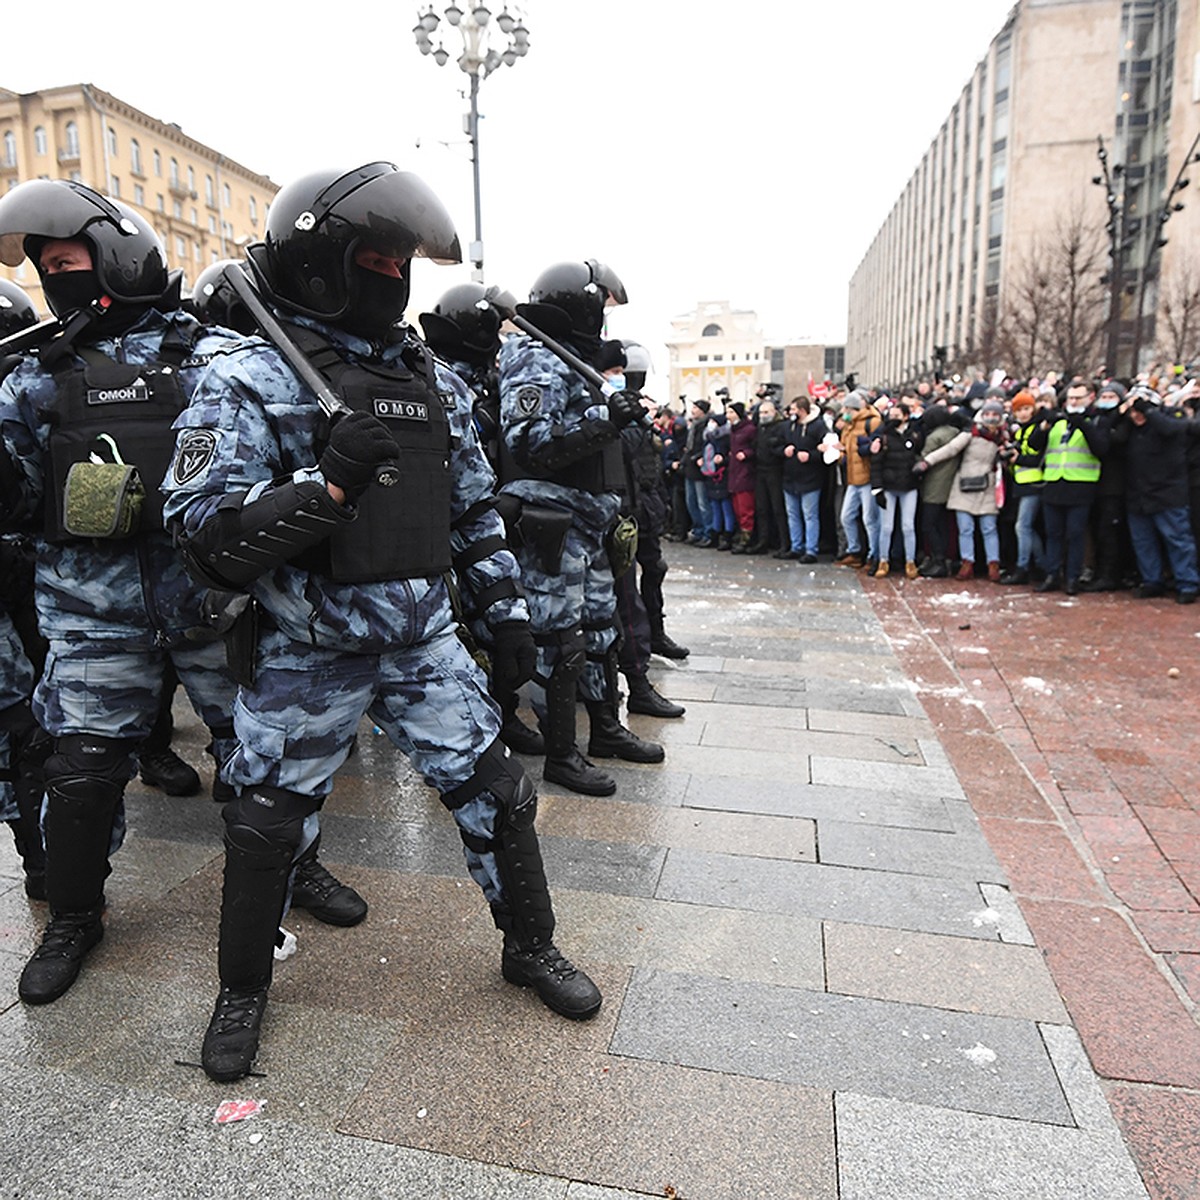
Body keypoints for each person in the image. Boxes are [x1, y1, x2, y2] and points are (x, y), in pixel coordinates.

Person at [164, 164, 601, 1083]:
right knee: (266, 824)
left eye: (404, 263)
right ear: (324, 261)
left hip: (424, 640)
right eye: (375, 258)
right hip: (310, 650)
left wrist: (506, 614)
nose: (394, 279)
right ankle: (242, 988)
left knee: (498, 794)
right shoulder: (249, 376)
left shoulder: (428, 378)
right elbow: (202, 532)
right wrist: (320, 489)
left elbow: (474, 511)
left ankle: (530, 946)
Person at [0, 180, 246, 1006]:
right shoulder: (34, 378)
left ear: (115, 257)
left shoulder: (211, 356)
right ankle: (75, 915)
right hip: (92, 611)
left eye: (67, 262)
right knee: (81, 770)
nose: (57, 280)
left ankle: (300, 869)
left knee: (254, 756)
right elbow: (19, 500)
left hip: (208, 602)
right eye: (47, 270)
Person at [496, 260, 663, 798]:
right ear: (580, 304)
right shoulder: (535, 357)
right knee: (560, 641)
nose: (605, 322)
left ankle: (606, 730)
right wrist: (606, 420)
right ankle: (563, 753)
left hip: (587, 523)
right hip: (555, 522)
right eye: (602, 309)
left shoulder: (574, 360)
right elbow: (530, 444)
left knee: (599, 631)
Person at [418, 281, 545, 756]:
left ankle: (503, 712)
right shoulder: (439, 379)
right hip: (444, 528)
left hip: (483, 513)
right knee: (462, 630)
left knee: (496, 624)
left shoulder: (488, 379)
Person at [603, 341, 686, 717]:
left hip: (645, 508)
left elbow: (650, 462)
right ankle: (632, 675)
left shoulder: (640, 411)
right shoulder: (615, 411)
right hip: (621, 513)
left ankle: (656, 634)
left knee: (654, 573)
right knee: (623, 597)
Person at [0, 280, 49, 899]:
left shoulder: (38, 388)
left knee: (44, 725)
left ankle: (52, 859)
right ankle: (38, 858)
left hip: (39, 577)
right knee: (17, 725)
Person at [1114, 386, 1199, 602]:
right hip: (1138, 494)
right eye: (1134, 412)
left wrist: (1150, 412)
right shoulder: (1131, 429)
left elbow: (1172, 429)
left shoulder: (1170, 417)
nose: (1137, 416)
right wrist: (1123, 415)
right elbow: (1117, 440)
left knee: (1178, 540)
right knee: (1143, 542)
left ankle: (1187, 583)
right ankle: (1152, 580)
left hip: (1168, 493)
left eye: (1139, 411)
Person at [1029, 377, 1110, 595]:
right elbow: (1034, 445)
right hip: (1055, 482)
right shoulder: (1059, 420)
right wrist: (1044, 426)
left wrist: (1081, 422)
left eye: (1077, 398)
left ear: (1090, 398)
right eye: (1069, 398)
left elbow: (1101, 448)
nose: (1072, 402)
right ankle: (1052, 574)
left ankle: (1073, 577)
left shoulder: (1097, 420)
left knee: (1075, 534)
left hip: (1081, 483)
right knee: (1053, 533)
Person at [915, 398, 1008, 581]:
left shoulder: (1003, 437)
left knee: (989, 528)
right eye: (987, 414)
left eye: (994, 415)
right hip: (964, 484)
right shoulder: (971, 433)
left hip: (987, 485)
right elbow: (950, 449)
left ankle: (993, 565)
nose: (990, 418)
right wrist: (927, 462)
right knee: (965, 528)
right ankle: (967, 563)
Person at [868, 400, 923, 577]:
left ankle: (910, 561)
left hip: (909, 486)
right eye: (891, 416)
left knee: (908, 526)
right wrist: (877, 489)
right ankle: (883, 560)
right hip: (889, 486)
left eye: (897, 416)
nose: (893, 419)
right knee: (887, 527)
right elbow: (876, 464)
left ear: (906, 417)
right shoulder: (884, 436)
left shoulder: (914, 434)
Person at [998, 390, 1045, 585]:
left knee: (1022, 526)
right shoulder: (1022, 430)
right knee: (1025, 527)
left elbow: (1039, 457)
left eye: (1026, 409)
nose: (1023, 413)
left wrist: (1019, 458)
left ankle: (1024, 566)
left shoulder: (1035, 429)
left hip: (1034, 482)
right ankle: (1041, 564)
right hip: (1022, 481)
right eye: (1019, 410)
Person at [835, 391, 883, 571]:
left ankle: (873, 554)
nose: (844, 413)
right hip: (853, 477)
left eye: (846, 409)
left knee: (869, 519)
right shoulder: (848, 425)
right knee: (846, 516)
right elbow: (845, 449)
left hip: (868, 476)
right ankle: (854, 550)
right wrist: (836, 453)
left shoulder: (872, 422)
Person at [777, 397, 828, 561]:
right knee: (792, 514)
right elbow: (775, 444)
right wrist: (784, 450)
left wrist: (811, 455)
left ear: (802, 410)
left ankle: (811, 549)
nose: (791, 413)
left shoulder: (817, 426)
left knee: (810, 515)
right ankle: (796, 546)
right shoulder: (788, 426)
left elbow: (827, 448)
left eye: (793, 409)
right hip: (790, 476)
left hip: (810, 477)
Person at [725, 401, 757, 554]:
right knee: (738, 509)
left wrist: (746, 454)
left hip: (745, 474)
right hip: (735, 473)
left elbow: (756, 448)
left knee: (746, 510)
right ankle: (741, 536)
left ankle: (746, 539)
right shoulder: (734, 430)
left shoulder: (749, 429)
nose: (728, 416)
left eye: (731, 412)